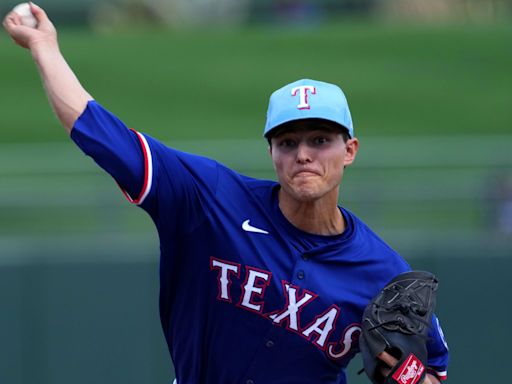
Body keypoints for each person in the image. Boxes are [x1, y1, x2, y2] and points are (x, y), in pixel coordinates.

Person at [3, 5, 449, 384]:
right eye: (288, 143)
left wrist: (411, 377)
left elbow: (433, 371)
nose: (304, 155)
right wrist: (46, 50)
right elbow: (101, 133)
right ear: (271, 152)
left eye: (320, 140)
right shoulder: (211, 198)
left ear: (349, 150)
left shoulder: (383, 271)